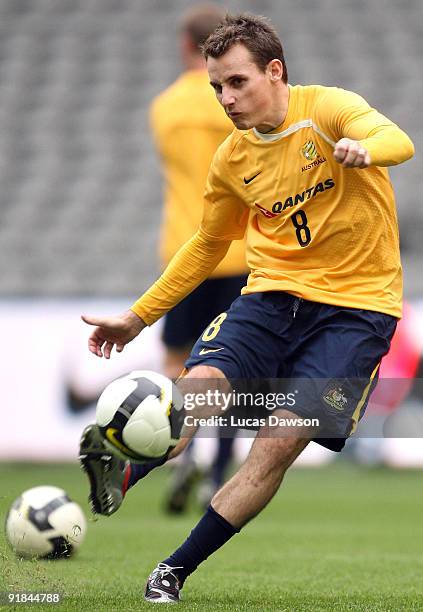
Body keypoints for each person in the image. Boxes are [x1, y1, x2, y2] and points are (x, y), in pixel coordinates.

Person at [79, 13, 414, 603]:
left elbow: (399, 141)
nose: (226, 99)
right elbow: (208, 244)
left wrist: (365, 150)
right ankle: (124, 471)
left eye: (236, 82)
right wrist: (138, 316)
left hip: (356, 311)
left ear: (274, 72)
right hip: (269, 296)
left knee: (277, 444)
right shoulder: (233, 159)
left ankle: (174, 569)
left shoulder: (329, 110)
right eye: (217, 87)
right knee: (198, 389)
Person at [150, 4, 248, 512]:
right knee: (231, 367)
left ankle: (174, 450)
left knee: (175, 361)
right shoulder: (235, 102)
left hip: (181, 251)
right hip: (239, 251)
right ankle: (216, 471)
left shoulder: (164, 106)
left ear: (185, 46)